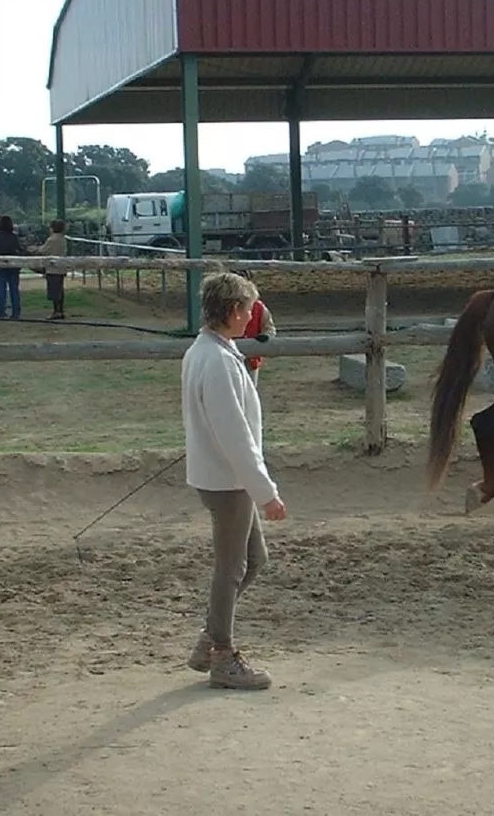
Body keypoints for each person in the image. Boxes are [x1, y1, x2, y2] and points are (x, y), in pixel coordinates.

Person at [182, 271, 288, 690]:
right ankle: (222, 654)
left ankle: (210, 640)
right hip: (228, 480)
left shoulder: (210, 351)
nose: (251, 318)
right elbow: (236, 436)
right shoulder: (218, 360)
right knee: (231, 568)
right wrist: (267, 493)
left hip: (224, 476)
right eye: (247, 309)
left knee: (253, 561)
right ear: (231, 312)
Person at [35, 218, 69, 320]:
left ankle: (56, 311)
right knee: (60, 290)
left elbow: (44, 250)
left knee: (54, 291)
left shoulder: (51, 239)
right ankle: (61, 310)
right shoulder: (63, 238)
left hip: (52, 268)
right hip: (61, 268)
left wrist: (34, 249)